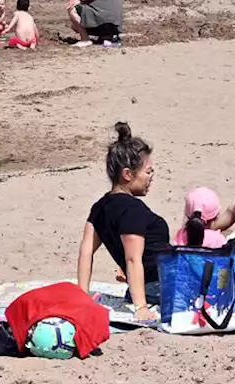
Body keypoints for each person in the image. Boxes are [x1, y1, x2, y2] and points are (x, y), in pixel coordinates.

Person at [77, 123, 169, 321]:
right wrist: (141, 307)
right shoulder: (132, 210)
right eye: (148, 172)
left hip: (144, 286)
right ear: (128, 174)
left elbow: (86, 252)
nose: (151, 178)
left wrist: (82, 294)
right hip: (161, 285)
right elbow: (133, 259)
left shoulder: (100, 207)